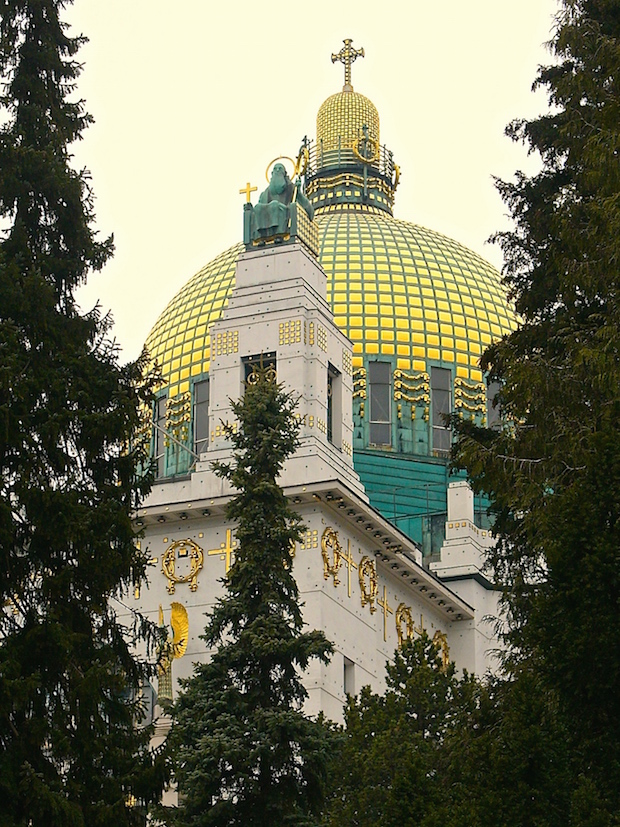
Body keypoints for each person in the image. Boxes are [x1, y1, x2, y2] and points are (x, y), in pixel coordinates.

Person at [252, 163, 314, 240]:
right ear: (272, 173)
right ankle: (262, 236)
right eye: (275, 169)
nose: (277, 170)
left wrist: (298, 192)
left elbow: (310, 212)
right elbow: (259, 208)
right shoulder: (265, 193)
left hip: (285, 212)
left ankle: (279, 234)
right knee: (258, 207)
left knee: (275, 204)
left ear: (284, 174)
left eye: (280, 169)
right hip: (273, 209)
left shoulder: (291, 188)